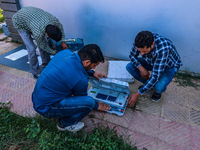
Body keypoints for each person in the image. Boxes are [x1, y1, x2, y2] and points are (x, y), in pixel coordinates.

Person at [32, 44, 111, 132]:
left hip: (37, 98)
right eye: (94, 65)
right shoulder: (81, 80)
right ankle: (65, 124)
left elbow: (76, 66)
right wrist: (97, 105)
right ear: (87, 62)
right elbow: (82, 100)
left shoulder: (66, 53)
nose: (94, 68)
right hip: (46, 108)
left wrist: (92, 72)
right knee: (89, 103)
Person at [126, 31, 182, 106]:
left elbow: (155, 76)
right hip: (152, 61)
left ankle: (157, 92)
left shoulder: (163, 48)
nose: (141, 54)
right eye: (140, 51)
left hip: (169, 66)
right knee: (130, 67)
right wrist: (141, 68)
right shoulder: (139, 42)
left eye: (144, 51)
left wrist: (137, 94)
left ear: (152, 44)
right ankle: (149, 85)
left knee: (158, 87)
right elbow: (132, 56)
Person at [12, 6, 68, 79]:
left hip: (30, 16)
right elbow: (42, 45)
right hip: (20, 21)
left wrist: (63, 41)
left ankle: (46, 63)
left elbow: (60, 28)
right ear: (48, 35)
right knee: (31, 49)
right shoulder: (38, 32)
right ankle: (36, 72)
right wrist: (54, 52)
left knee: (43, 42)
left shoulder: (55, 21)